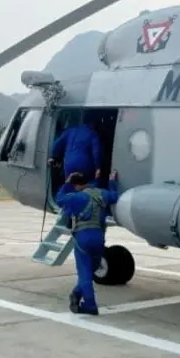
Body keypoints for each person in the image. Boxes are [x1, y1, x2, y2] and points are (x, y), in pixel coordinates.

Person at [55, 170, 118, 316]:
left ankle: (90, 305)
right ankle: (76, 293)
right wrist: (112, 182)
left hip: (82, 237)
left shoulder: (76, 197)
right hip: (99, 237)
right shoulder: (102, 194)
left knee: (84, 273)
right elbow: (114, 196)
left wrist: (66, 183)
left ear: (76, 185)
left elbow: (59, 199)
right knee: (93, 267)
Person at [48, 115, 102, 181]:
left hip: (68, 165)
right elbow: (96, 153)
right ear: (93, 124)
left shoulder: (70, 130)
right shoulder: (93, 134)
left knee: (69, 186)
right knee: (85, 188)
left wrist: (53, 156)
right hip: (84, 166)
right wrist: (98, 168)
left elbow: (57, 144)